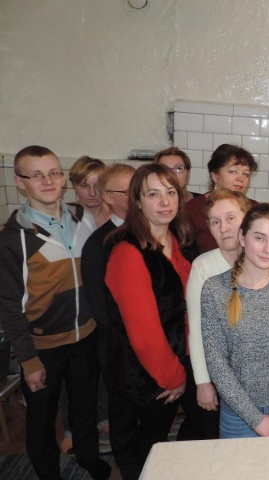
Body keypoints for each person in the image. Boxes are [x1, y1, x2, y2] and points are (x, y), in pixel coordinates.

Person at [0, 146, 110, 479]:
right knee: (42, 417)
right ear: (20, 182)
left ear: (63, 179)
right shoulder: (14, 239)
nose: (48, 181)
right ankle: (48, 473)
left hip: (85, 336)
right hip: (43, 347)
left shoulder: (80, 217)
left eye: (53, 173)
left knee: (84, 408)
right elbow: (9, 305)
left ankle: (89, 460)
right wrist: (29, 361)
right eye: (37, 175)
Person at [104, 163, 194, 479]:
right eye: (153, 194)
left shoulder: (173, 239)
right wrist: (174, 377)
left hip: (175, 360)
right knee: (146, 448)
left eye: (170, 192)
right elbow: (144, 333)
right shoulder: (128, 252)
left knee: (164, 440)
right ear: (137, 202)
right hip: (147, 375)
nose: (165, 201)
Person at [200, 203, 269, 438]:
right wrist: (257, 420)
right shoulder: (215, 289)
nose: (268, 249)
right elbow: (217, 363)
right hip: (238, 414)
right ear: (242, 237)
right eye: (259, 238)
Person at [186, 188, 253, 434]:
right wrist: (203, 382)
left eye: (230, 218)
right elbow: (196, 329)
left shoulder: (268, 261)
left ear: (248, 220)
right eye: (215, 222)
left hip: (255, 374)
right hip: (218, 372)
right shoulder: (203, 267)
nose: (223, 227)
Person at [81, 163, 136, 458]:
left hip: (148, 341)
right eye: (125, 191)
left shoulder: (149, 231)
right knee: (123, 411)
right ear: (108, 197)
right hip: (118, 344)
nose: (134, 196)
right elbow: (99, 304)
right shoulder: (98, 243)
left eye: (137, 189)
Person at [184, 144, 258, 253]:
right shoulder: (192, 210)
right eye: (233, 171)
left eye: (246, 174)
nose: (241, 178)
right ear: (215, 176)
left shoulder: (254, 209)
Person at [70, 155, 111, 228]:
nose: (92, 193)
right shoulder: (64, 217)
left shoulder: (118, 216)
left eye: (98, 185)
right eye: (84, 186)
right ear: (73, 185)